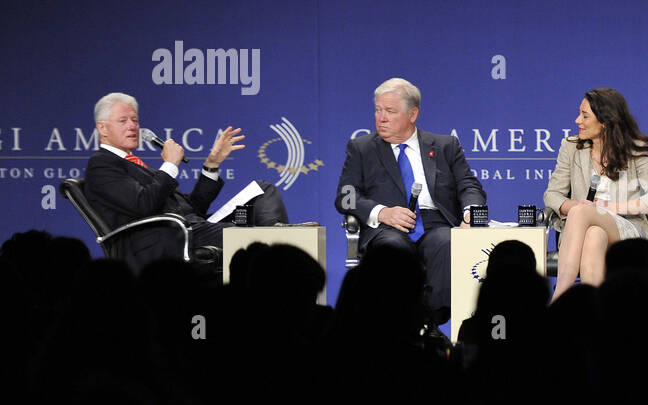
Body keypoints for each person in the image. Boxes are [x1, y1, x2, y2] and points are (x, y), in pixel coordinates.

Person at [334, 77, 486, 323]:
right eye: (378, 110)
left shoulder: (446, 146)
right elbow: (345, 196)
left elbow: (469, 186)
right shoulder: (362, 149)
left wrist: (470, 214)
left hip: (436, 223)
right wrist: (382, 212)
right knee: (392, 249)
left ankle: (432, 321)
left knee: (447, 241)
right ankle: (398, 322)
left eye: (390, 111)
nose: (381, 118)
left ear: (412, 114)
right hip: (387, 228)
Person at [83, 92, 289, 271]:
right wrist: (171, 164)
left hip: (194, 227)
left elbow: (193, 208)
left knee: (263, 190)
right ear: (102, 128)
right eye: (123, 121)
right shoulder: (102, 164)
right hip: (169, 240)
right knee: (258, 242)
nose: (133, 127)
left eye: (135, 121)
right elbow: (143, 205)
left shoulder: (140, 166)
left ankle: (277, 231)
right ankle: (280, 243)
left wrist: (212, 164)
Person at [543, 88, 648, 299]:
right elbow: (553, 195)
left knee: (582, 213)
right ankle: (597, 315)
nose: (577, 120)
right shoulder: (570, 147)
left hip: (627, 229)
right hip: (582, 234)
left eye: (585, 116)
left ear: (605, 122)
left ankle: (559, 299)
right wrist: (578, 207)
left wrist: (610, 208)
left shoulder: (634, 149)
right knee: (593, 231)